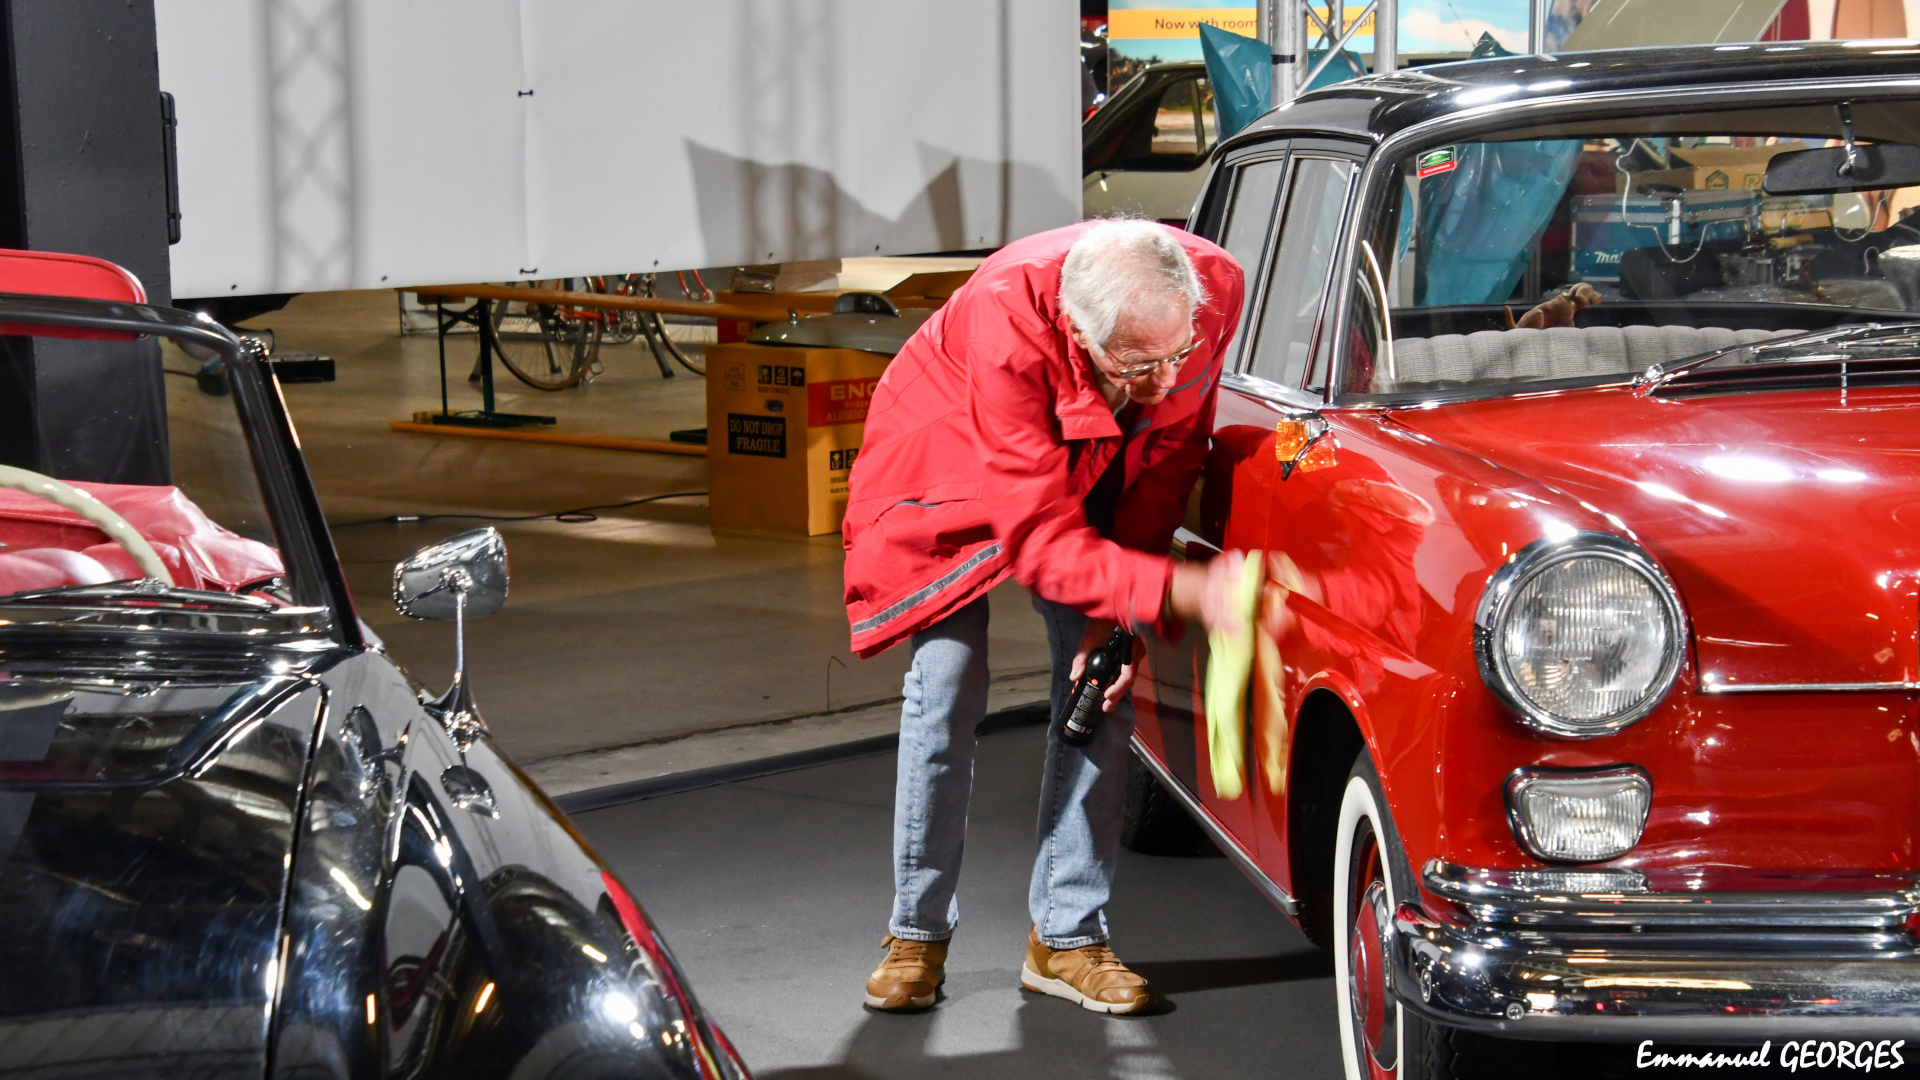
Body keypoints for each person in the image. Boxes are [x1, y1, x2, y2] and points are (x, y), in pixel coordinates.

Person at [840, 219, 1249, 1016]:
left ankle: (1067, 939)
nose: (1167, 380)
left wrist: (1117, 613)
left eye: (1177, 355)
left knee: (1100, 685)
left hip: (1099, 438)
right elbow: (1040, 541)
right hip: (953, 449)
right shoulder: (1009, 319)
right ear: (1078, 331)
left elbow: (1169, 453)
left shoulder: (1213, 290)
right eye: (1139, 365)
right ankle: (916, 933)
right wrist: (1173, 590)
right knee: (948, 681)